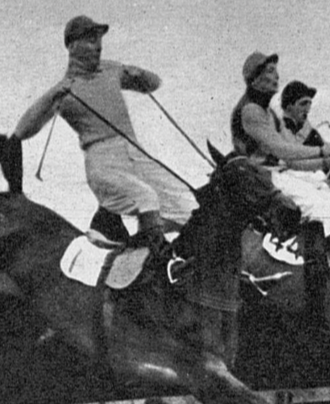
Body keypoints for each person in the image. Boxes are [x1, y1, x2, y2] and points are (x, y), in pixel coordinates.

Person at [12, 15, 196, 252]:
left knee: (187, 208)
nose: (98, 46)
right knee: (145, 197)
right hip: (102, 159)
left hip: (135, 152)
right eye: (90, 40)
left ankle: (157, 253)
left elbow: (153, 84)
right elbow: (22, 130)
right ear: (72, 45)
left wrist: (141, 74)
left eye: (99, 40)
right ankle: (152, 260)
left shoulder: (111, 69)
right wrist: (53, 95)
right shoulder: (65, 90)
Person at [230, 51, 330, 289]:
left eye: (275, 71)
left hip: (280, 173)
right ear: (254, 79)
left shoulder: (269, 113)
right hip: (259, 176)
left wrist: (329, 159)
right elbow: (283, 151)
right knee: (324, 208)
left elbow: (295, 159)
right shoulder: (251, 111)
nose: (276, 77)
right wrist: (325, 151)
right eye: (269, 72)